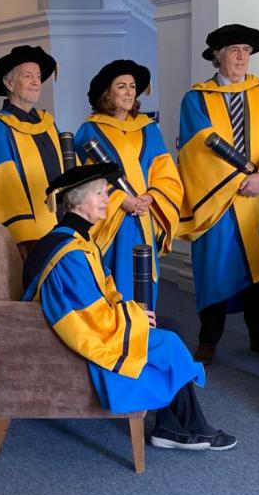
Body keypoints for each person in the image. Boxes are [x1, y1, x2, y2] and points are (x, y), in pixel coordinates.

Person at [22, 163, 236, 451]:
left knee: (169, 325)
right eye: (99, 193)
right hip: (78, 340)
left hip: (91, 325)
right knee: (168, 340)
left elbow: (102, 290)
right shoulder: (68, 253)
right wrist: (132, 317)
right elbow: (86, 318)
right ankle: (191, 426)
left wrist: (130, 311)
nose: (107, 200)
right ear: (77, 200)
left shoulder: (76, 238)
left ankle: (170, 426)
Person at [178, 24, 259, 364]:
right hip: (218, 199)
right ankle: (209, 339)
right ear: (217, 57)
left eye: (245, 49)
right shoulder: (196, 98)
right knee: (216, 267)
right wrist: (239, 180)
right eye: (233, 50)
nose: (241, 56)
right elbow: (197, 146)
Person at [74, 60, 183, 307]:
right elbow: (83, 178)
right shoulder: (91, 131)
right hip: (112, 219)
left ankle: (145, 333)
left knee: (144, 283)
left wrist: (152, 197)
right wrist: (120, 199)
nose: (129, 91)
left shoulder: (148, 129)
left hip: (144, 216)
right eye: (121, 86)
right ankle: (118, 334)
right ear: (107, 93)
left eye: (132, 86)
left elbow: (165, 173)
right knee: (117, 279)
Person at [0, 45, 66, 257]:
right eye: (28, 76)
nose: (36, 82)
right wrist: (25, 236)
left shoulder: (47, 124)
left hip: (60, 225)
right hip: (24, 241)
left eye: (39, 76)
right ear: (9, 83)